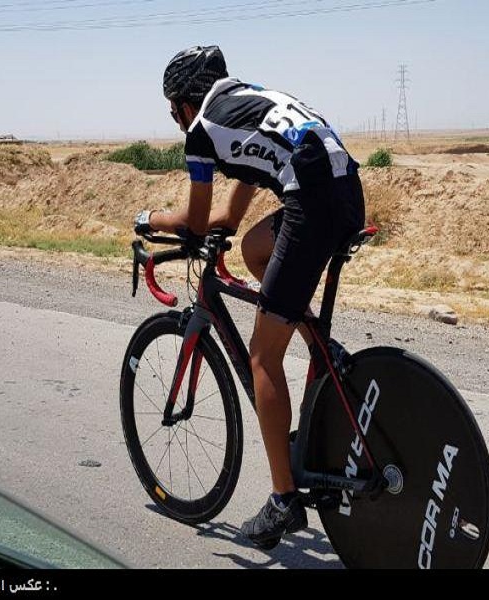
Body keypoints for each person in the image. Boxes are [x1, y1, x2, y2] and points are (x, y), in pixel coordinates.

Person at [135, 45, 365, 549]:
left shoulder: (201, 132)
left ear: (186, 102)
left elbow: (194, 222)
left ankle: (284, 500)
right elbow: (228, 221)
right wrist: (211, 227)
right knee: (257, 249)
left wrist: (149, 220)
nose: (176, 122)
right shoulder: (246, 102)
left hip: (312, 203)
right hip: (345, 189)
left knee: (263, 357)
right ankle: (323, 349)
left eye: (173, 110)